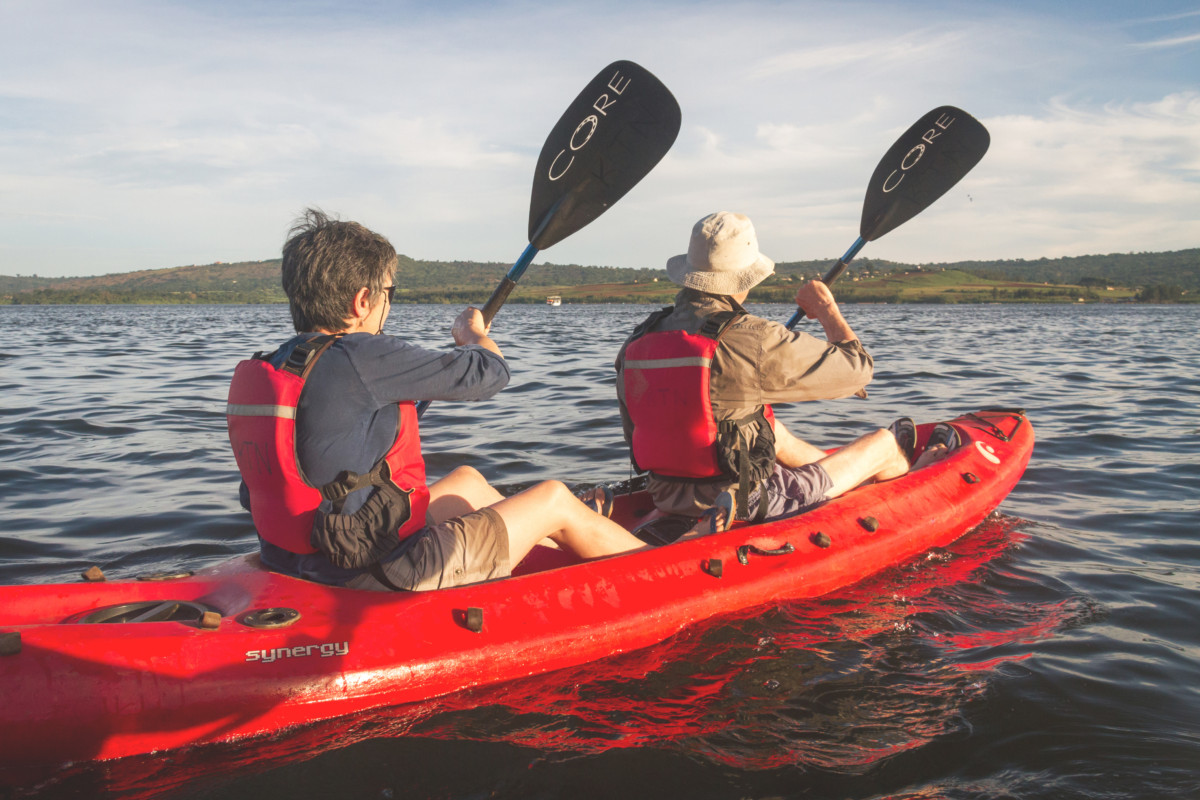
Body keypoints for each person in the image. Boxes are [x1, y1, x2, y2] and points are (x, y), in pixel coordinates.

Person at [227, 208, 645, 591]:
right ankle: (656, 568)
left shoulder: (280, 365)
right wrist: (473, 336)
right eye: (388, 292)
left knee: (468, 481)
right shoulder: (362, 354)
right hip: (375, 571)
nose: (389, 303)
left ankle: (565, 557)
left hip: (302, 556)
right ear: (362, 301)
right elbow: (491, 374)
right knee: (554, 498)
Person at [614, 211, 957, 532]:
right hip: (744, 502)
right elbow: (857, 369)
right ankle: (912, 477)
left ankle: (851, 477)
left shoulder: (638, 340)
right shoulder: (751, 337)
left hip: (666, 495)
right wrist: (825, 309)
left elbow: (638, 434)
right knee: (883, 443)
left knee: (769, 428)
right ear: (745, 277)